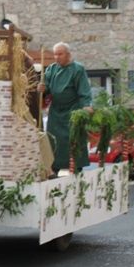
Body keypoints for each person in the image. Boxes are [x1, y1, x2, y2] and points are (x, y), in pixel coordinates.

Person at [37, 42, 93, 173]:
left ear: (68, 54)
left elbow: (84, 91)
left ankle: (77, 169)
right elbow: (46, 90)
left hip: (73, 110)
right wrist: (42, 89)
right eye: (55, 54)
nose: (56, 57)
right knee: (54, 141)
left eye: (60, 54)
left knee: (74, 141)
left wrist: (86, 106)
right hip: (56, 112)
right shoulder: (51, 69)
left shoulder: (78, 69)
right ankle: (53, 170)